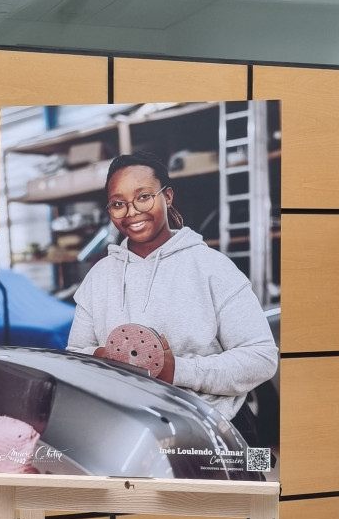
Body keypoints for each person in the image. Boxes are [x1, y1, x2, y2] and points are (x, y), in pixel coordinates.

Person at [66, 151, 277, 442]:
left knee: (238, 484)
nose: (131, 212)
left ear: (167, 197)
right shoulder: (98, 278)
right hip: (129, 435)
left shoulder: (213, 268)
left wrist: (175, 370)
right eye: (118, 203)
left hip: (212, 432)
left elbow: (261, 357)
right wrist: (104, 359)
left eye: (143, 197)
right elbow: (75, 356)